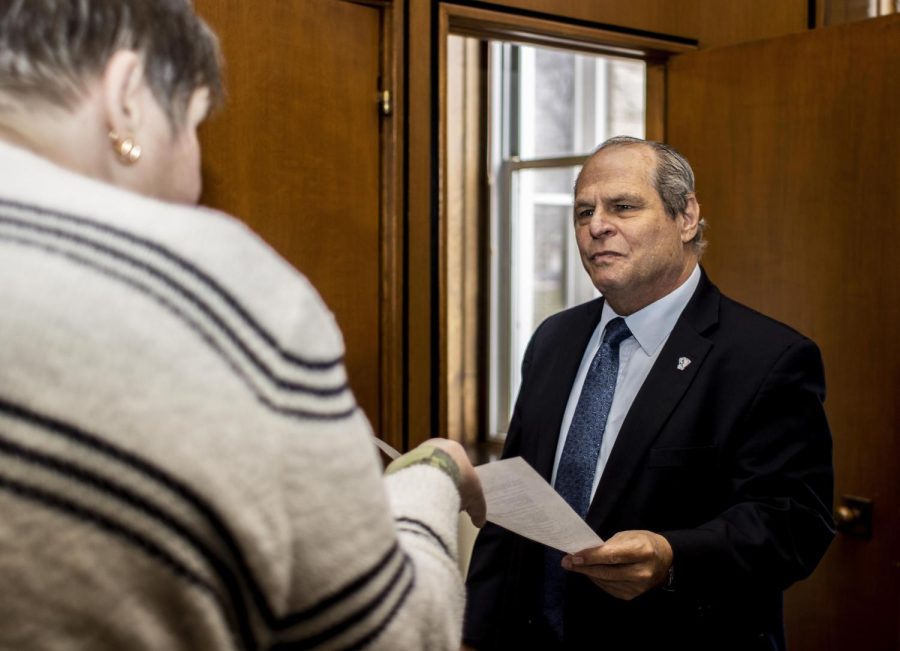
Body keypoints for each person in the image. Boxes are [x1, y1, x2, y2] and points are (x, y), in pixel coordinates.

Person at [0, 1, 485, 649]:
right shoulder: (212, 279)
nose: (197, 174)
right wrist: (434, 474)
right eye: (198, 124)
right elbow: (393, 633)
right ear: (127, 99)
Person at [463, 136, 835, 651]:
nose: (597, 226)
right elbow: (516, 509)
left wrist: (672, 557)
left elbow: (793, 524)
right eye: (584, 212)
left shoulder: (767, 358)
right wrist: (472, 633)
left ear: (686, 218)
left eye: (623, 207)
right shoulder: (553, 339)